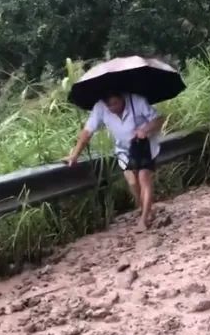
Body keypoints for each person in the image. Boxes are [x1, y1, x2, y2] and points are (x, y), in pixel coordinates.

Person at [65, 92, 164, 231]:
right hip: (124, 149)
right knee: (132, 182)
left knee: (143, 178)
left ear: (122, 98)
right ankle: (145, 208)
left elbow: (158, 119)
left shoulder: (136, 100)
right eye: (109, 105)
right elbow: (87, 131)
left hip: (145, 146)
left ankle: (144, 219)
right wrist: (75, 154)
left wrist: (144, 129)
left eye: (115, 103)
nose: (112, 108)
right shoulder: (100, 107)